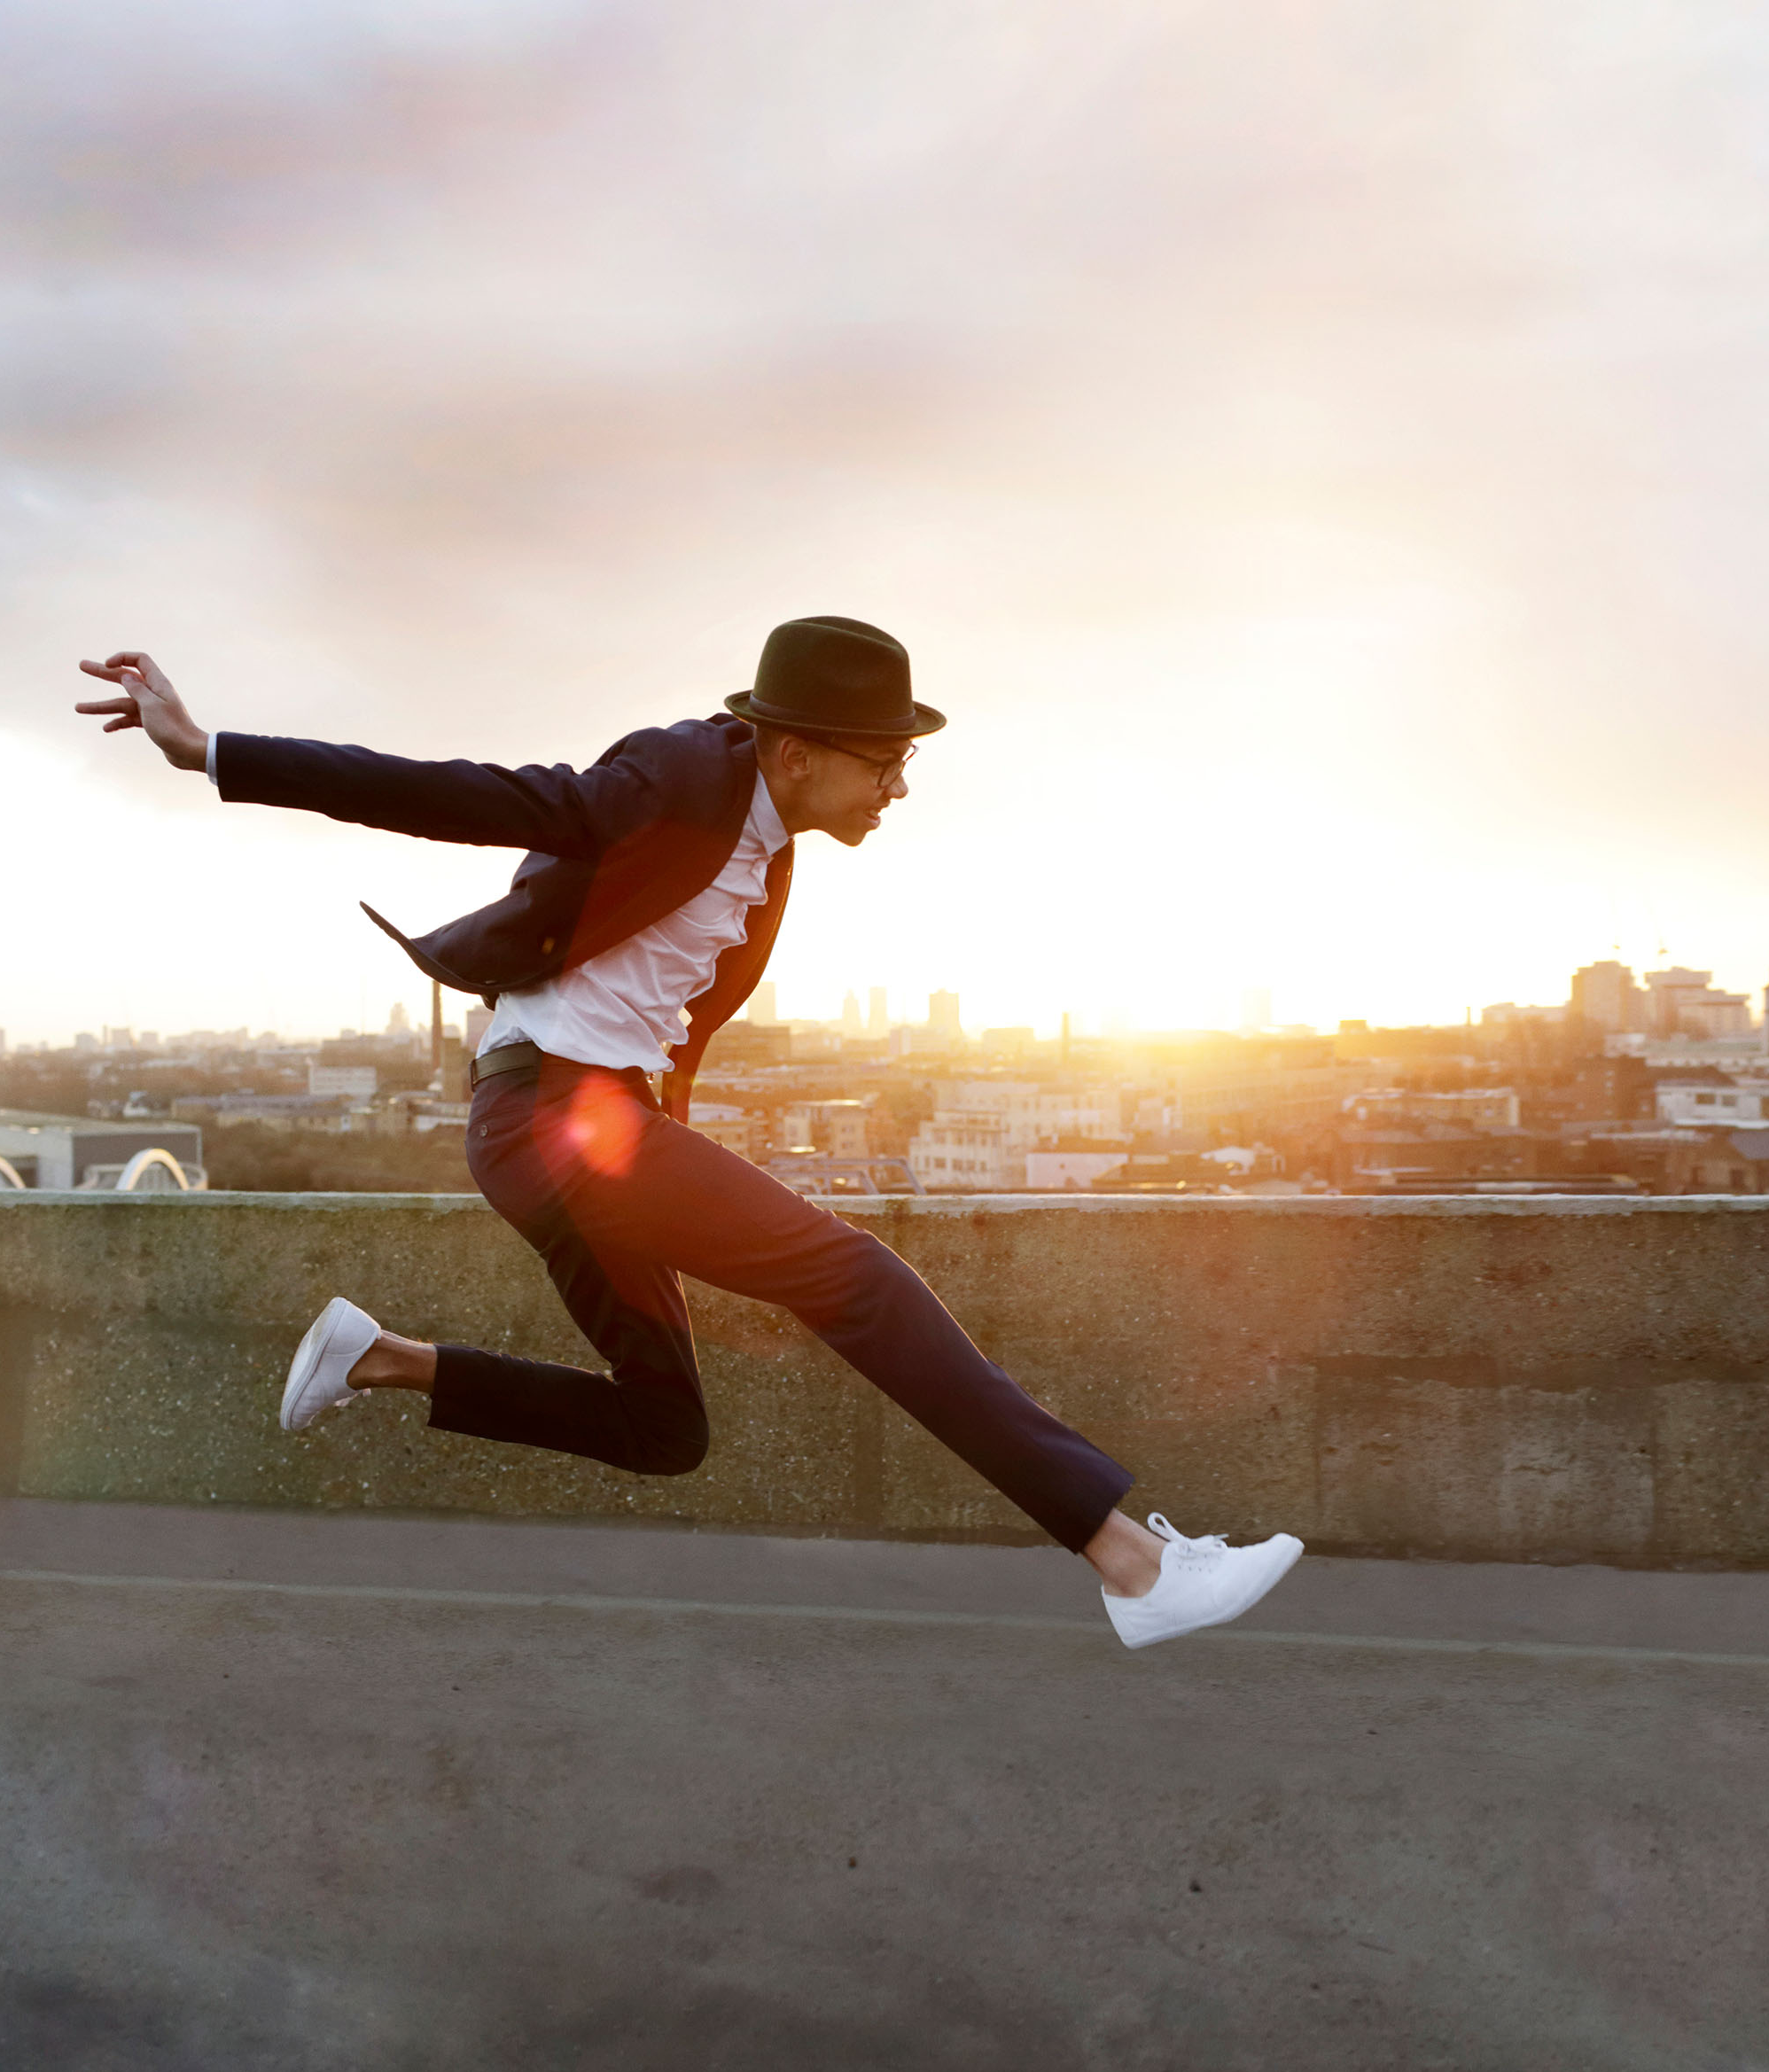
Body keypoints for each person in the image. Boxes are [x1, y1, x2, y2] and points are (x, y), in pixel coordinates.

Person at [76, 616, 1301, 1648]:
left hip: (578, 1128)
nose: (901, 787)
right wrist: (210, 752)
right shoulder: (677, 780)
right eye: (884, 760)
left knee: (665, 1431)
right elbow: (465, 796)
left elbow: (666, 1018)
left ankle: (381, 1357)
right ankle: (1131, 1564)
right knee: (858, 1280)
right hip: (560, 1118)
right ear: (803, 753)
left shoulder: (769, 854)